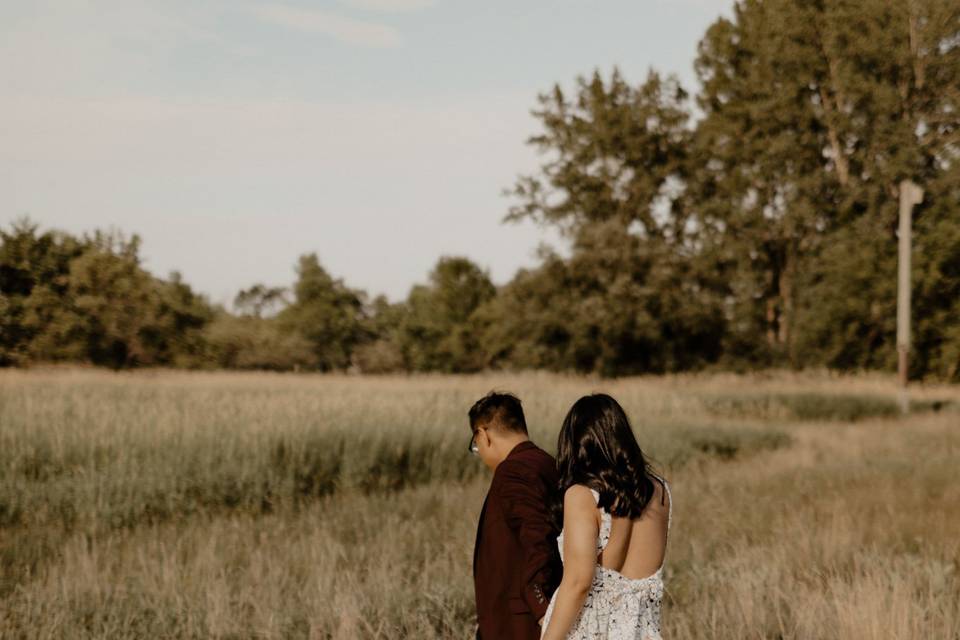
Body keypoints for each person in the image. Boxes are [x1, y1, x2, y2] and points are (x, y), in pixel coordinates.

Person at [540, 393, 672, 640]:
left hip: (590, 630)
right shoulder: (661, 492)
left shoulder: (581, 496)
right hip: (641, 632)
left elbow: (579, 583)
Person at [469, 391, 563, 640]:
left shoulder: (513, 471)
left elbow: (537, 537)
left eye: (475, 444)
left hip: (521, 624)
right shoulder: (549, 464)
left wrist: (541, 608)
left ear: (483, 434)